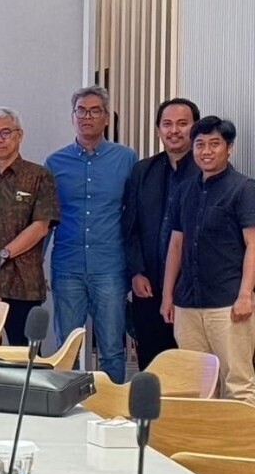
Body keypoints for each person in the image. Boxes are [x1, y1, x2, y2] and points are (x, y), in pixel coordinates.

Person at [44, 87, 138, 382]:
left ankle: (112, 414)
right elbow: (46, 220)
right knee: (67, 348)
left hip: (110, 265)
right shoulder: (55, 163)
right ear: (72, 117)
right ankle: (66, 413)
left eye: (95, 110)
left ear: (107, 118)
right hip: (67, 265)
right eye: (81, 110)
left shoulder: (126, 159)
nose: (88, 116)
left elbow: (134, 216)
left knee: (111, 347)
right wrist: (38, 265)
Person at [161, 116, 255, 405]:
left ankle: (239, 448)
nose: (206, 151)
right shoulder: (184, 189)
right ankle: (203, 445)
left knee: (237, 382)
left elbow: (253, 244)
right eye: (200, 144)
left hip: (228, 302)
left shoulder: (243, 188)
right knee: (196, 385)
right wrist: (168, 296)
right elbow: (176, 244)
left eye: (215, 144)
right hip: (187, 303)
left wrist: (245, 295)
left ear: (229, 149)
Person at [0, 107, 60, 344]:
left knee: (22, 357)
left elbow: (40, 227)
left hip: (22, 283)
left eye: (5, 133)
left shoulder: (39, 176)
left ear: (19, 135)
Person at [123, 98, 200, 370]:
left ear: (195, 128)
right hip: (149, 287)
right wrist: (136, 272)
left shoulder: (206, 172)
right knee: (153, 367)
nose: (174, 131)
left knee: (190, 369)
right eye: (167, 124)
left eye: (182, 123)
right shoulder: (143, 170)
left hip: (194, 291)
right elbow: (130, 227)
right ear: (158, 130)